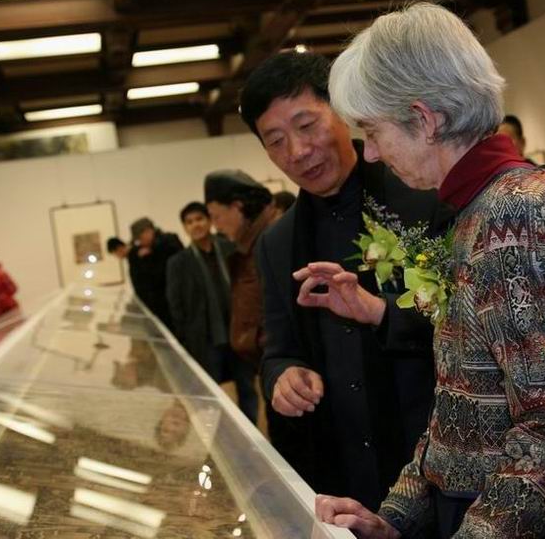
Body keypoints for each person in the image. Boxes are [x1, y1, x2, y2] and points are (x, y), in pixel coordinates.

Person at [312, 2, 545, 538]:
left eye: (373, 131)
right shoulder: (479, 209)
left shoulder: (514, 215)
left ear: (425, 120)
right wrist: (395, 518)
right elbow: (460, 403)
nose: (371, 153)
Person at [240, 51, 449, 512]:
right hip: (342, 471)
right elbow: (277, 348)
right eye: (276, 141)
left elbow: (467, 324)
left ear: (342, 111)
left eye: (306, 125)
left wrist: (380, 312)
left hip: (434, 458)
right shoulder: (276, 243)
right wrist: (283, 376)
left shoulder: (420, 198)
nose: (297, 152)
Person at [165, 202, 260, 419]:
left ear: (209, 221)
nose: (195, 225)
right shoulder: (178, 263)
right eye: (189, 222)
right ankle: (217, 437)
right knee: (209, 397)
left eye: (199, 219)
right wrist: (187, 339)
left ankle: (251, 433)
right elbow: (176, 306)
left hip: (238, 334)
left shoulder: (231, 249)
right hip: (205, 341)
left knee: (247, 389)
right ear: (184, 228)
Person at [204, 170, 276, 424]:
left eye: (216, 216)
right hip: (269, 366)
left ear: (237, 207)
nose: (215, 226)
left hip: (283, 370)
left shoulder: (270, 241)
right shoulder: (250, 245)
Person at [127, 217, 183, 326]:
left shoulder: (169, 243)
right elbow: (139, 283)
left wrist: (152, 253)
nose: (140, 242)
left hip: (174, 303)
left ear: (149, 231)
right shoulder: (136, 252)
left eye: (140, 238)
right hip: (156, 308)